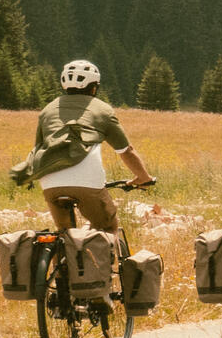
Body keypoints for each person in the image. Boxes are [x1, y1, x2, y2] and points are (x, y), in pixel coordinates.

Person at [9, 59, 151, 235]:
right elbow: (126, 151)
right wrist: (143, 177)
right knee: (106, 228)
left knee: (63, 234)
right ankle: (105, 259)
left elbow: (38, 147)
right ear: (93, 87)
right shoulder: (102, 109)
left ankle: (60, 260)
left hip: (50, 180)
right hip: (87, 179)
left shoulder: (48, 109)